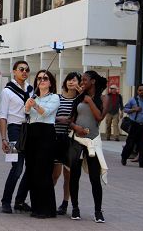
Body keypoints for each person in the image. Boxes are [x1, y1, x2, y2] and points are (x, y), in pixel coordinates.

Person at [68, 70, 108, 223]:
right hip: (77, 141)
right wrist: (76, 127)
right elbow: (70, 120)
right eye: (81, 80)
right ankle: (75, 208)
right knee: (74, 175)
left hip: (93, 142)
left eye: (84, 80)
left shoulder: (104, 99)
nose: (82, 82)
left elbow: (99, 117)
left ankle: (98, 211)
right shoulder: (78, 98)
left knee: (94, 177)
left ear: (93, 81)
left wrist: (90, 101)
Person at [24, 70, 59, 219]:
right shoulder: (33, 97)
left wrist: (35, 105)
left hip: (46, 134)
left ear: (50, 82)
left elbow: (46, 113)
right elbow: (25, 113)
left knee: (44, 171)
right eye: (39, 78)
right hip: (32, 132)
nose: (42, 80)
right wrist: (28, 105)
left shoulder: (55, 97)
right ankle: (36, 207)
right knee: (32, 170)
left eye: (45, 78)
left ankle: (47, 208)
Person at [0, 61, 32, 214]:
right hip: (14, 130)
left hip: (30, 129)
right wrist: (3, 138)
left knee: (30, 168)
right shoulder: (7, 91)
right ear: (14, 72)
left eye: (27, 70)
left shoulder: (32, 90)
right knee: (16, 168)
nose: (24, 72)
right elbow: (2, 116)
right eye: (21, 69)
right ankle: (6, 201)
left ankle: (20, 200)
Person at [53, 72, 81, 216]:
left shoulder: (80, 100)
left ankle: (65, 203)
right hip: (57, 138)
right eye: (69, 80)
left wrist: (71, 122)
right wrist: (60, 119)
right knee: (55, 173)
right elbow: (50, 114)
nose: (71, 82)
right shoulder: (57, 98)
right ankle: (49, 200)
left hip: (72, 141)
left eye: (74, 80)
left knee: (68, 175)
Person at [121, 84, 143, 168]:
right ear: (137, 91)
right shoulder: (132, 100)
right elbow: (125, 109)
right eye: (140, 90)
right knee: (130, 143)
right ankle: (124, 157)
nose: (142, 92)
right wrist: (134, 109)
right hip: (135, 124)